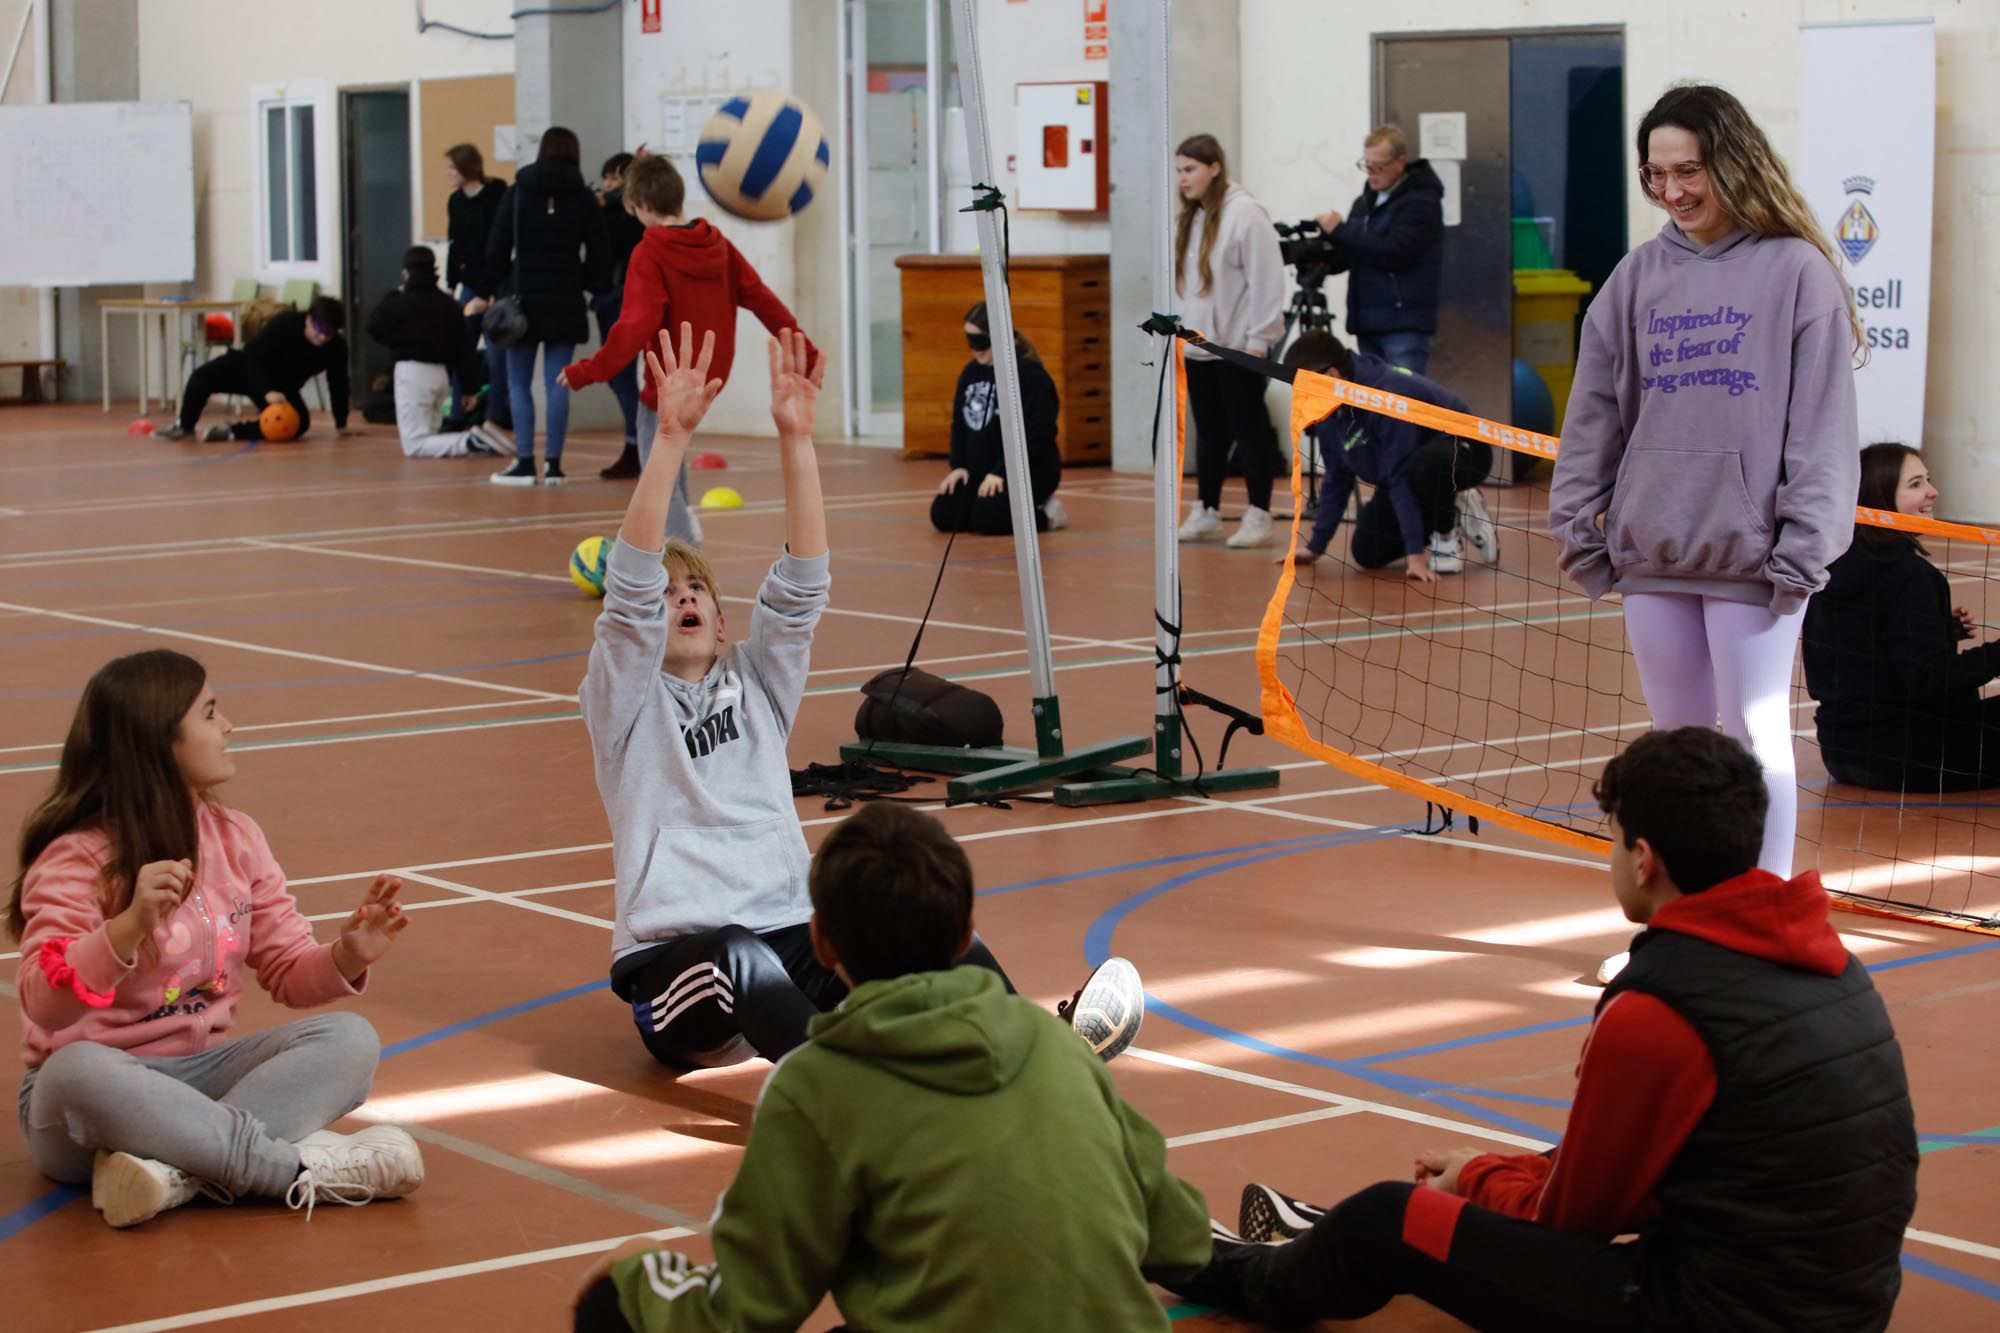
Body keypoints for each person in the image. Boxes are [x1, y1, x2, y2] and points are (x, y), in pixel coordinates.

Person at [1175, 727, 1917, 1333]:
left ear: (1644, 858)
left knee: (1386, 1218)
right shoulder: (1830, 961)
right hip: (1848, 1308)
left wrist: (1475, 1181)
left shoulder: (1659, 1007)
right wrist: (1495, 1170)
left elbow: (1574, 1221)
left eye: (1615, 836)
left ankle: (1221, 1267)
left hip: (1702, 1315)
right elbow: (1675, 1165)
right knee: (1513, 1178)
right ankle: (1324, 1237)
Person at [580, 325, 1143, 1074]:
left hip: (791, 936)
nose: (679, 598)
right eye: (666, 593)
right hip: (681, 970)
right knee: (737, 957)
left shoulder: (757, 683)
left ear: (722, 623)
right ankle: (850, 1087)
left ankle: (1043, 1054)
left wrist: (798, 439)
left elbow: (804, 584)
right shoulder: (624, 705)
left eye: (698, 591)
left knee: (933, 931)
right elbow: (628, 594)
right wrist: (671, 439)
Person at [568, 801, 1212, 1333]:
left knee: (615, 1310)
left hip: (830, 1096)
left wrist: (635, 1280)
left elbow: (750, 1309)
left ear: (820, 942)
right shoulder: (1061, 1054)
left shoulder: (811, 1089)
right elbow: (1183, 1242)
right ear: (967, 934)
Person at [1547, 83, 1862, 881]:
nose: (1675, 191)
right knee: (1677, 745)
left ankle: (1773, 914)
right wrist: (1579, 523)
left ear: (1733, 162)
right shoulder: (1634, 278)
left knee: (1758, 736)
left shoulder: (1798, 273)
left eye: (1691, 170)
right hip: (1654, 549)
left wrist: (1804, 546)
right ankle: (1686, 919)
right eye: (1657, 175)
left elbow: (1822, 429)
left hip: (1755, 560)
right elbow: (1592, 419)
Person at [11, 649, 426, 1229]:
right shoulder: (75, 856)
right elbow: (44, 1004)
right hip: (92, 1103)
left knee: (349, 1038)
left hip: (199, 1079)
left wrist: (345, 955)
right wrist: (126, 928)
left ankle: (173, 1174)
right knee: (76, 1068)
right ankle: (290, 1172)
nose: (227, 726)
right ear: (159, 740)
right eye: (209, 713)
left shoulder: (237, 839)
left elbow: (287, 970)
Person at [559, 155, 813, 544]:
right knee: (671, 456)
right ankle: (682, 537)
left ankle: (685, 560)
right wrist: (802, 347)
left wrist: (588, 370)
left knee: (655, 475)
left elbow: (633, 326)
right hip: (712, 372)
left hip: (668, 382)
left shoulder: (651, 251)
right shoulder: (719, 245)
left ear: (641, 206)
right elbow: (761, 298)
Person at [1803, 443, 1999, 791]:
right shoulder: (1910, 575)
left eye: (1928, 480)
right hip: (1908, 755)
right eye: (1916, 484)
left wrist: (1938, 630)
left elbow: (1860, 655)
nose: (1933, 491)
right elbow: (1928, 682)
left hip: (1842, 750)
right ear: (1880, 501)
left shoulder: (1830, 569)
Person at [1280, 330, 1495, 580]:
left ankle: (1445, 533)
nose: (1301, 396)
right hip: (1408, 465)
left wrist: (1415, 555)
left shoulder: (1386, 394)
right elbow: (1337, 477)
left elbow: (1399, 474)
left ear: (1331, 375)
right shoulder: (1328, 409)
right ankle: (1454, 507)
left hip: (1461, 450)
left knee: (1426, 467)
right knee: (1367, 551)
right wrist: (1315, 547)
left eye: (1304, 387)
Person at [1171, 133, 1287, 549]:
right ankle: (1207, 507)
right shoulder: (1193, 217)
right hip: (1201, 344)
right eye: (1180, 171)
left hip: (1239, 346)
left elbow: (1267, 280)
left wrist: (1260, 338)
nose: (1183, 179)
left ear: (1214, 167)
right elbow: (1189, 287)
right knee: (1210, 431)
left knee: (1249, 427)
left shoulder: (1245, 214)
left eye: (1191, 170)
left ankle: (1259, 512)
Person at [480, 125, 609, 486]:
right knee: (559, 382)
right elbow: (600, 254)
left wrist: (507, 280)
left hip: (522, 300)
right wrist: (581, 280)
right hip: (566, 299)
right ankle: (554, 465)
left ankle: (524, 462)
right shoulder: (584, 198)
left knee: (518, 382)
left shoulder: (518, 192)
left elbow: (495, 249)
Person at [1313, 125, 1446, 374]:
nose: (1372, 174)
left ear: (1400, 162)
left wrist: (1341, 231)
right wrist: (1323, 254)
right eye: (1367, 165)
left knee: (1405, 403)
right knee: (1374, 402)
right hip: (1367, 320)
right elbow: (1355, 252)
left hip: (1403, 322)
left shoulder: (1421, 203)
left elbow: (1396, 252)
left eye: (1379, 167)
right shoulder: (1364, 203)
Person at [932, 301, 1067, 535]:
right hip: (981, 470)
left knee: (988, 518)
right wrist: (959, 465)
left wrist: (1002, 471)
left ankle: (1047, 514)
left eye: (982, 342)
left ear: (1000, 335)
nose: (976, 350)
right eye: (971, 342)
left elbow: (1037, 433)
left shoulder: (1030, 375)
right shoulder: (970, 373)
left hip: (1028, 471)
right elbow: (960, 423)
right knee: (945, 514)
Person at [364, 245, 508, 459]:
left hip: (412, 373)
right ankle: (474, 443)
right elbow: (463, 348)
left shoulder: (399, 302)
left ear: (406, 272)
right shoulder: (449, 305)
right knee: (431, 438)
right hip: (440, 376)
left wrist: (394, 296)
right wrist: (469, 388)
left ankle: (469, 442)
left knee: (415, 444)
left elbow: (373, 325)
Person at [154, 297, 352, 443]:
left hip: (282, 387)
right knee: (201, 378)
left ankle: (231, 431)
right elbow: (254, 356)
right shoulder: (286, 323)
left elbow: (339, 382)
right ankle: (184, 426)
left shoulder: (336, 348)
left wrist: (341, 423)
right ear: (308, 319)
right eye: (319, 328)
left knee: (298, 424)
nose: (323, 337)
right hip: (248, 367)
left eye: (330, 333)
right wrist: (267, 391)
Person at [442, 142, 511, 433]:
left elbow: (500, 244)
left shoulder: (497, 194)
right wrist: (451, 282)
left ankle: (495, 415)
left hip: (495, 283)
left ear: (467, 167)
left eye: (452, 168)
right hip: (469, 284)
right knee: (461, 349)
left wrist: (490, 289)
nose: (449, 173)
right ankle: (459, 410)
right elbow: (454, 243)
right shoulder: (456, 201)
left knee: (497, 355)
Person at [592, 151, 647, 479]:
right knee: (618, 375)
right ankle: (636, 443)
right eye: (607, 177)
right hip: (610, 296)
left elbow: (614, 246)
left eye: (615, 178)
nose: (607, 184)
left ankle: (637, 444)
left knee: (621, 374)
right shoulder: (611, 212)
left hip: (620, 297)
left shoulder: (628, 216)